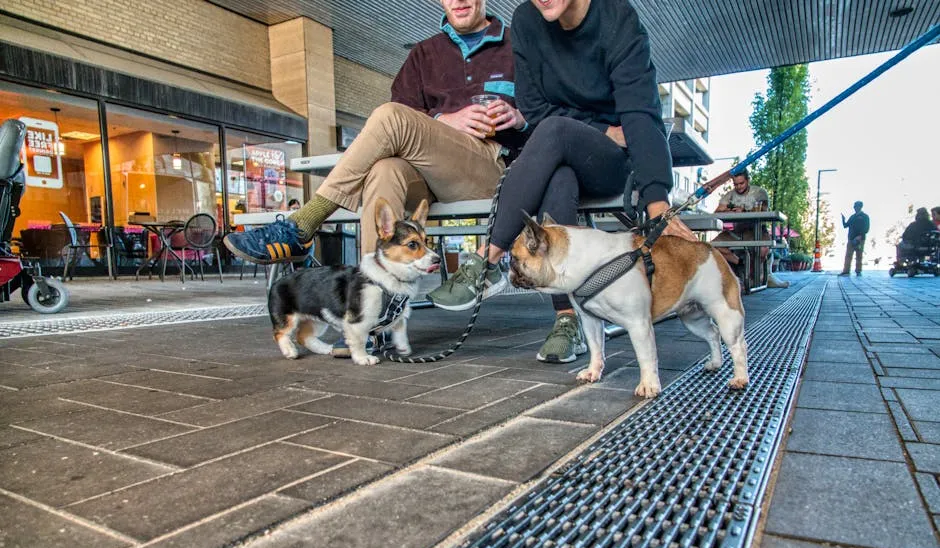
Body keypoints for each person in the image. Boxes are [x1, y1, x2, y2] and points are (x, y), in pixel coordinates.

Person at [428, 0, 698, 363]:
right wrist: (602, 129)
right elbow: (534, 109)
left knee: (555, 132)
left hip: (613, 162)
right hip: (561, 152)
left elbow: (641, 114)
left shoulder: (617, 18)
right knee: (558, 177)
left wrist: (657, 203)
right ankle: (568, 322)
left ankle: (486, 260)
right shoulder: (527, 20)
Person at [224, 0, 527, 267]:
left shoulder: (518, 45)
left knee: (389, 116)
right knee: (385, 170)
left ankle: (303, 224)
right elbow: (403, 121)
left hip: (490, 170)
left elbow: (550, 113)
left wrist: (519, 117)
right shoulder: (423, 54)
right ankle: (375, 304)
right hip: (428, 178)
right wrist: (443, 120)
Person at [711, 169, 789, 289]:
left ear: (748, 180)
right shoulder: (730, 195)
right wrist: (731, 210)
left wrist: (744, 210)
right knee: (712, 246)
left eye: (741, 183)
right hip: (737, 231)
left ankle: (759, 275)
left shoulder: (759, 192)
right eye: (735, 184)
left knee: (763, 249)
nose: (738, 187)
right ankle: (740, 264)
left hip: (757, 230)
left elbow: (763, 210)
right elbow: (717, 211)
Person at [839, 200, 870, 276]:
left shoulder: (865, 216)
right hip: (851, 238)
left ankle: (858, 271)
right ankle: (846, 270)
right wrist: (843, 219)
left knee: (859, 255)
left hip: (860, 239)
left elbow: (866, 228)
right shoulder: (852, 217)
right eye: (854, 207)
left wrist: (860, 236)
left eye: (856, 206)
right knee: (848, 255)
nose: (855, 208)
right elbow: (845, 225)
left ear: (860, 207)